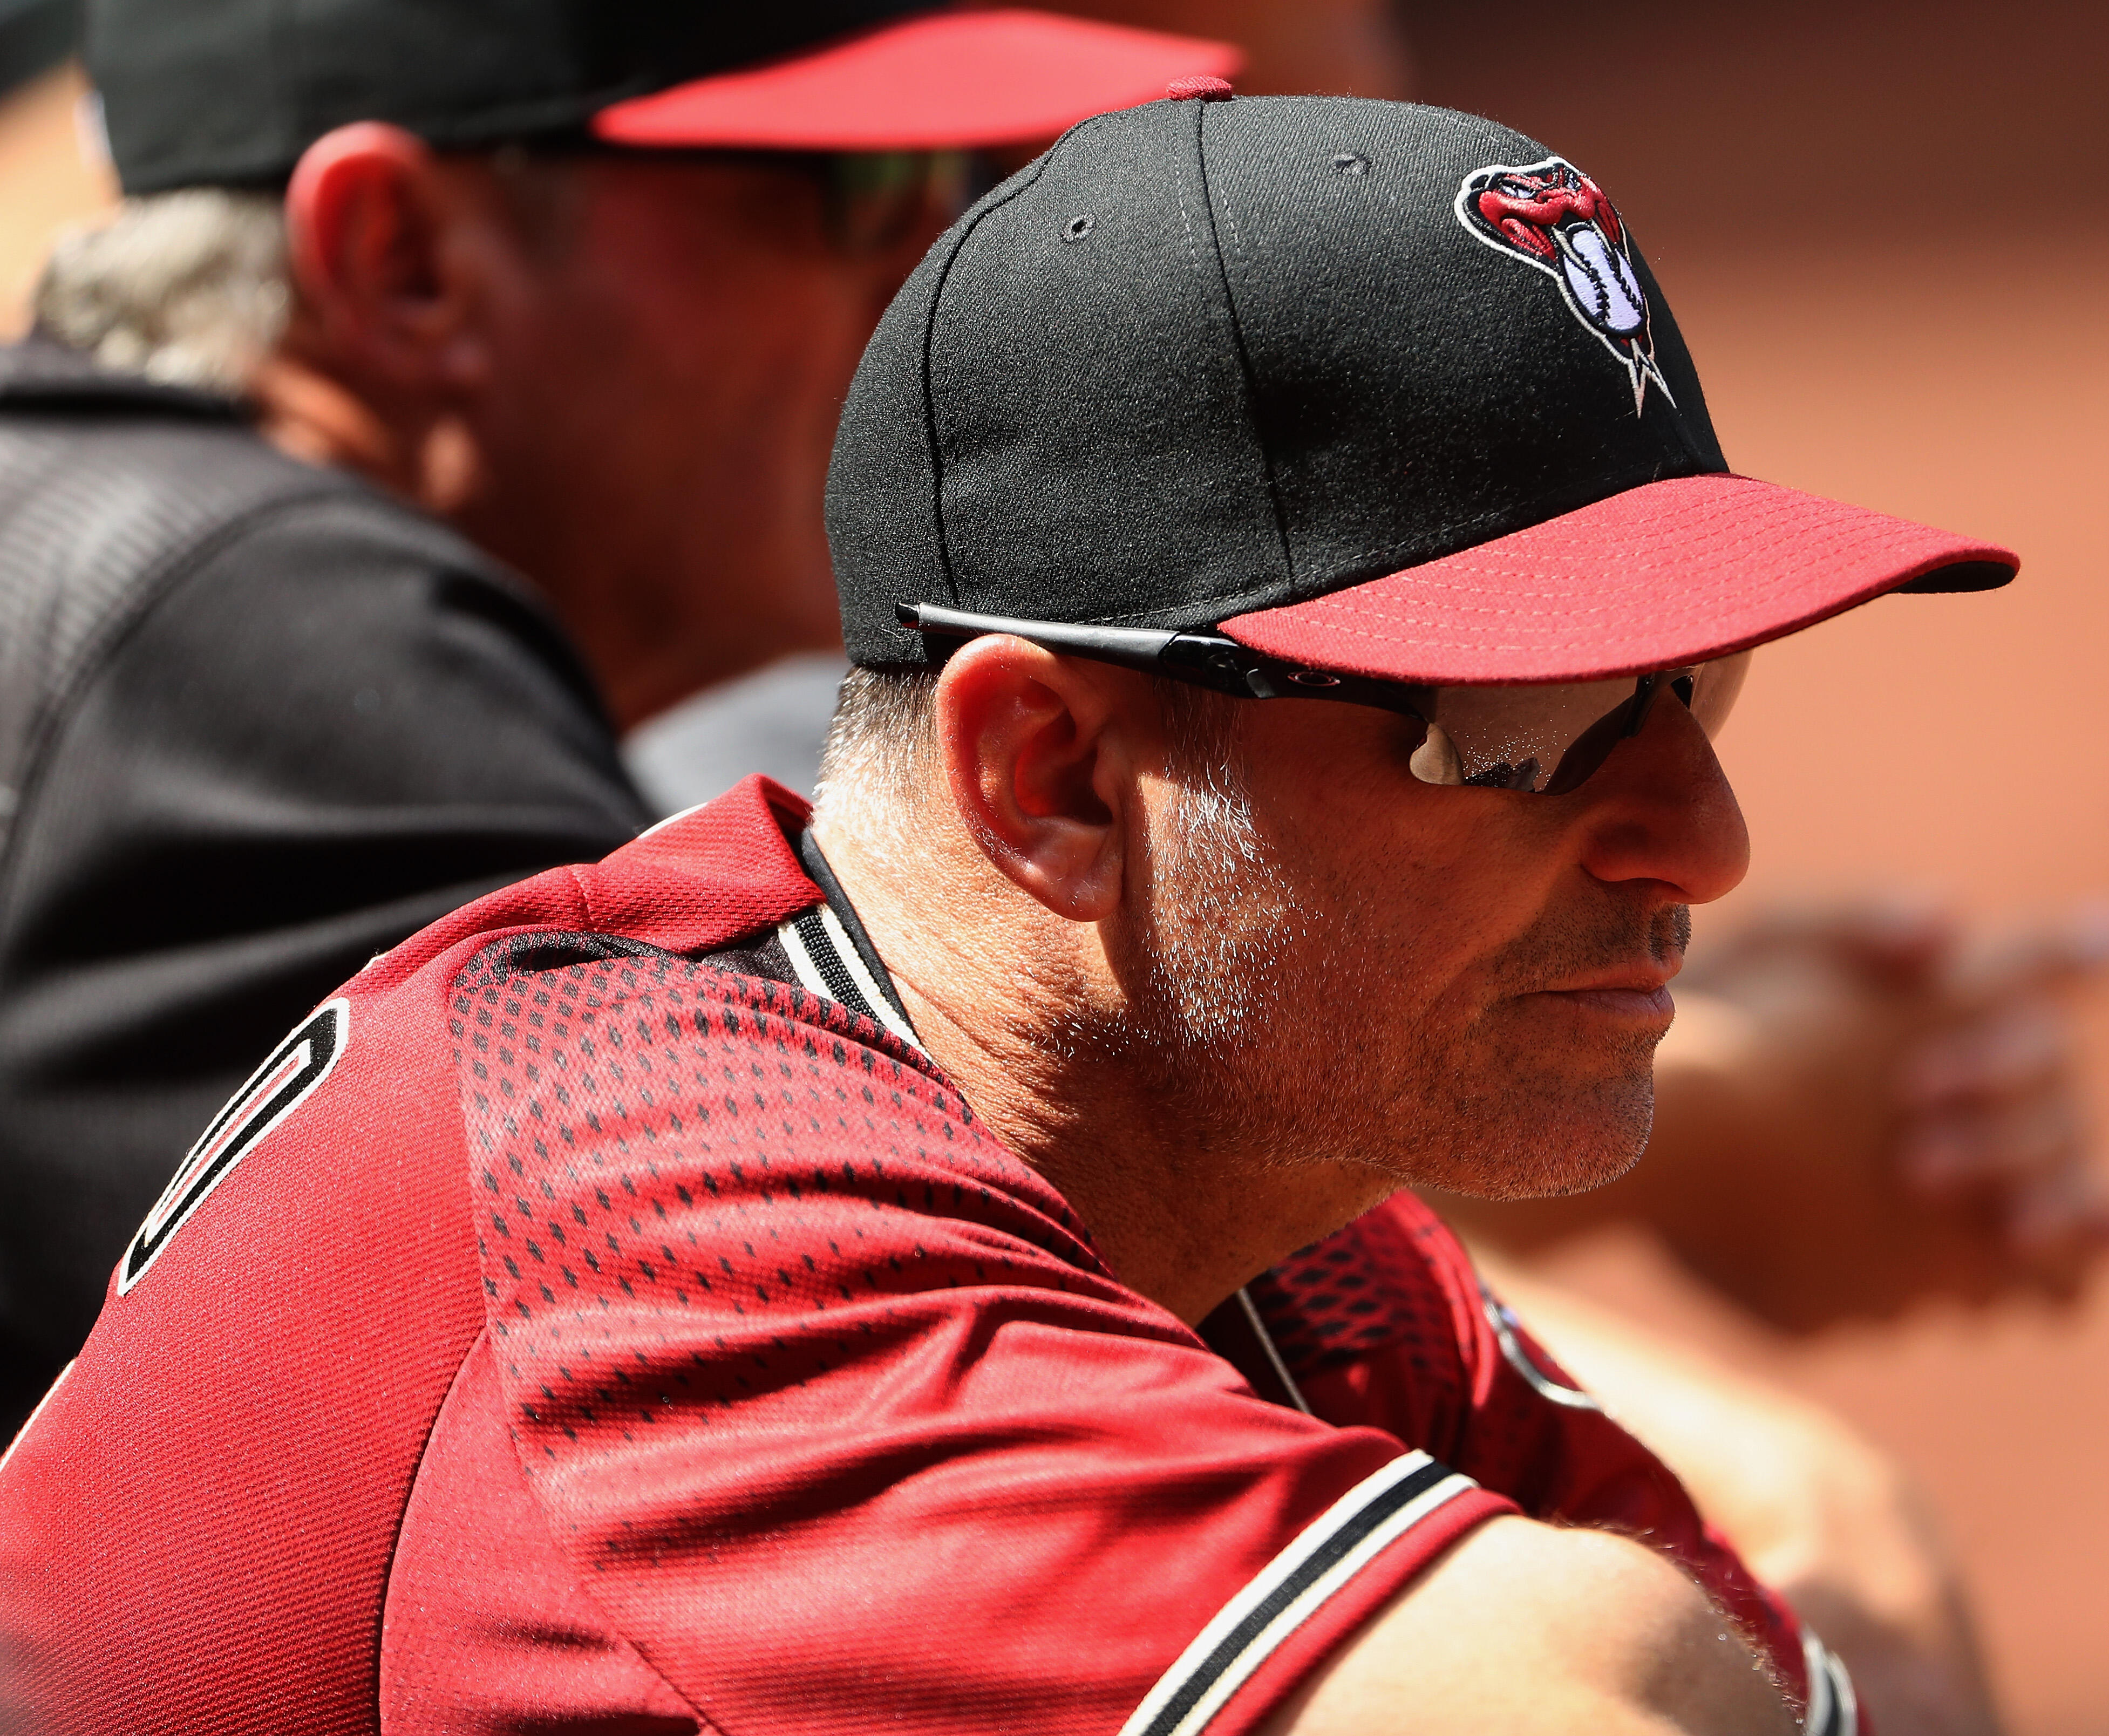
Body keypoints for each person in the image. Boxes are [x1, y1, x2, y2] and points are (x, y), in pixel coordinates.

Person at [0, 90, 2024, 1732]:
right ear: (1049, 779)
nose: (1705, 836)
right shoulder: (672, 1213)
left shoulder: (1259, 1210)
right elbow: (1625, 1700)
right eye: (1534, 723)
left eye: (1698, 694)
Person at [0, 0, 1235, 1437]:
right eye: (863, 194)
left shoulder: (131, 544)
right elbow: (852, 1408)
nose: (951, 281)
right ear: (402, 261)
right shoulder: (279, 635)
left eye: (968, 186)